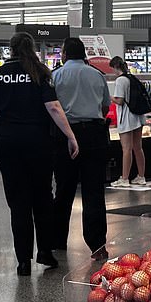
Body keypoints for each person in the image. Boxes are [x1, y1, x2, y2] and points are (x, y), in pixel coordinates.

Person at [0, 32, 79, 277]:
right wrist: (70, 136)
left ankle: (23, 261)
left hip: (7, 144)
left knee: (18, 203)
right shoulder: (40, 72)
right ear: (31, 48)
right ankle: (44, 251)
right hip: (38, 144)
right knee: (42, 198)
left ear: (10, 49)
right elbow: (53, 107)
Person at [52, 38, 111, 261]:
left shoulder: (56, 76)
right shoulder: (96, 75)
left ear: (65, 53)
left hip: (65, 135)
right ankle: (97, 245)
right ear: (83, 54)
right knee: (94, 191)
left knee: (64, 190)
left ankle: (57, 241)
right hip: (94, 135)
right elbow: (105, 106)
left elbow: (52, 108)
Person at [109, 56, 147, 187]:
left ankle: (124, 178)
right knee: (138, 147)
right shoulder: (132, 78)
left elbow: (119, 100)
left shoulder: (120, 80)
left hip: (126, 117)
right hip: (138, 116)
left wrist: (109, 97)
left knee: (126, 149)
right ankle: (141, 176)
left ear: (115, 67)